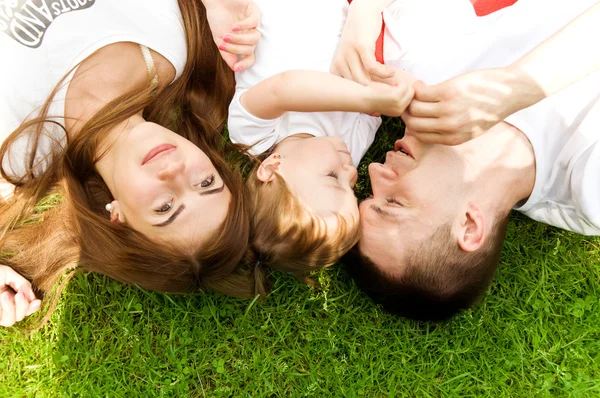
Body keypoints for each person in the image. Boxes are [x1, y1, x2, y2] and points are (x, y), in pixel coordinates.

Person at [0, 0, 263, 327]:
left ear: (119, 217)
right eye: (205, 183)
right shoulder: (172, 45)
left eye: (165, 206)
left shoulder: (19, 152)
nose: (175, 171)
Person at [338, 0, 600, 320]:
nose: (375, 170)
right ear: (470, 225)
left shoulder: (411, 62)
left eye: (369, 194)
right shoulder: (590, 186)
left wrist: (363, 12)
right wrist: (510, 89)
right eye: (393, 202)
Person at [226, 0, 414, 275]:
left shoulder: (253, 138)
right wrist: (391, 92)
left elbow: (283, 88)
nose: (351, 171)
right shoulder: (348, 145)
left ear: (272, 167)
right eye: (351, 188)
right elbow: (377, 86)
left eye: (332, 178)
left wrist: (364, 98)